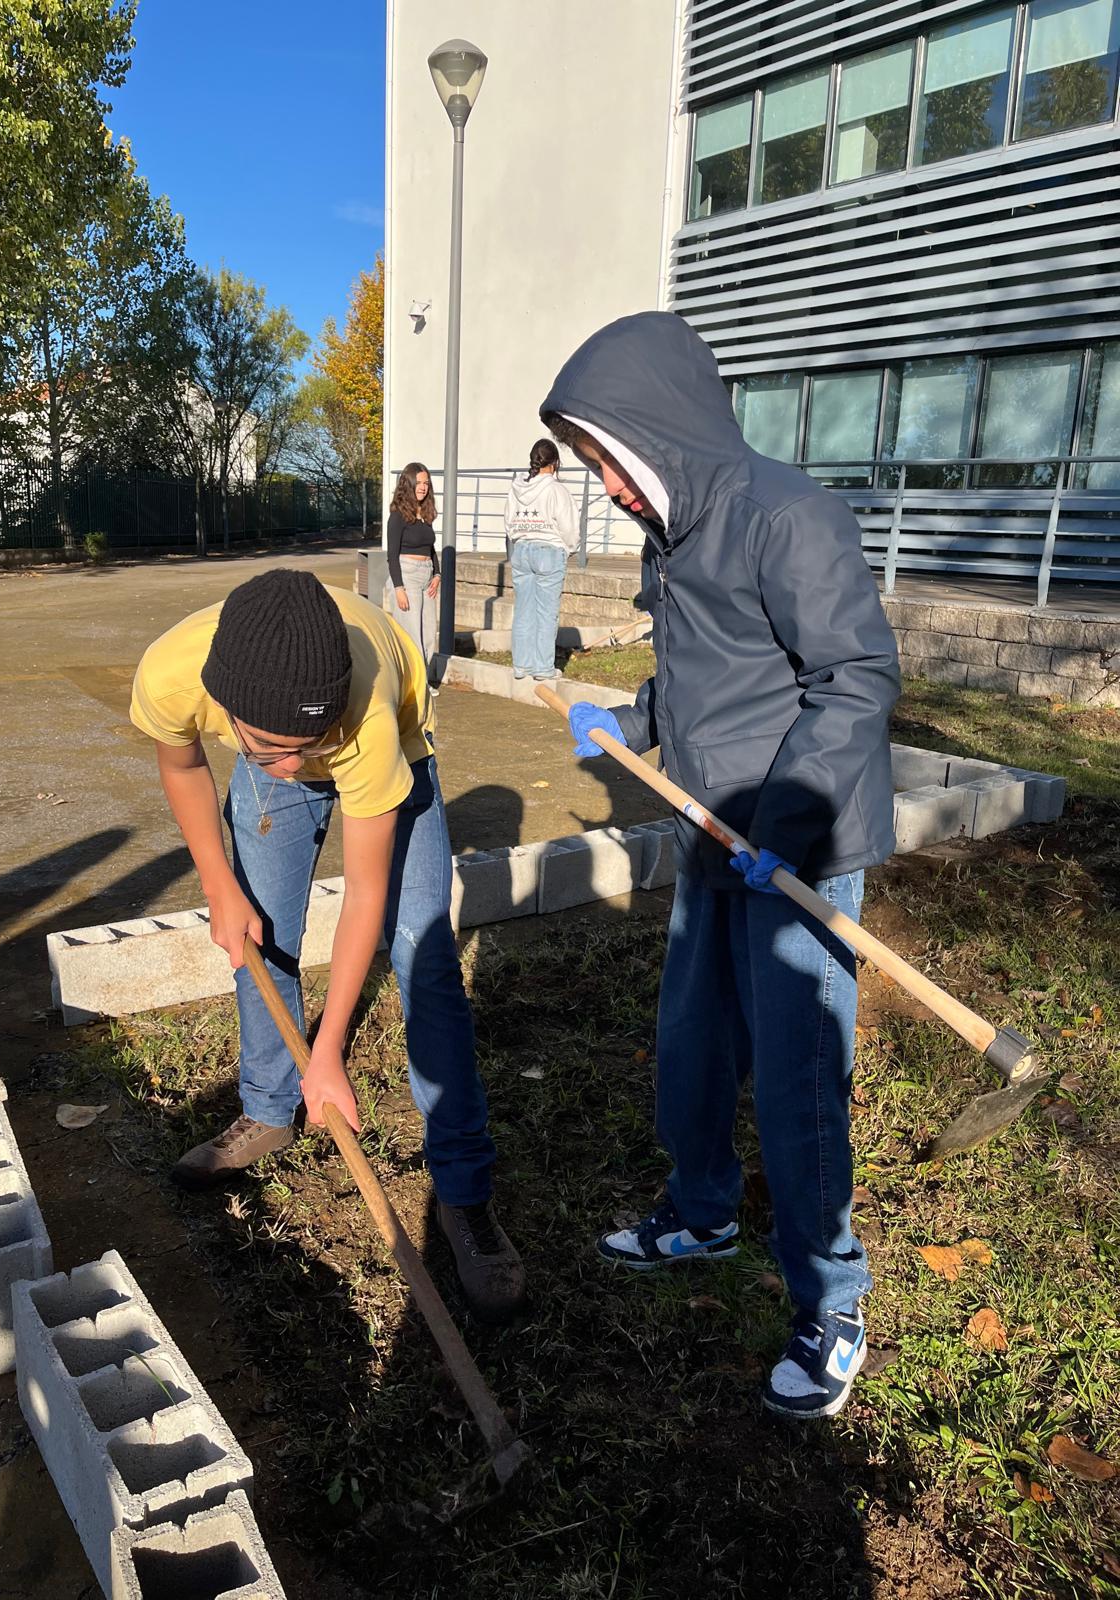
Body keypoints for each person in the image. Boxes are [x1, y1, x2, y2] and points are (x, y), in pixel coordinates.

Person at [540, 312, 900, 1418]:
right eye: (594, 463)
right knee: (691, 1045)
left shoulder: (789, 518)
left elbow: (855, 678)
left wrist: (782, 823)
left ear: (662, 431)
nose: (607, 486)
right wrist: (634, 721)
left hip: (798, 849)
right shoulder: (675, 532)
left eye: (610, 459)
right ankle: (701, 1210)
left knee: (797, 1079)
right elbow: (706, 679)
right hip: (711, 836)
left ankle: (833, 1299)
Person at [129, 568, 525, 1323]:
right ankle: (267, 1111)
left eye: (305, 746)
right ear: (225, 703)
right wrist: (217, 884)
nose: (293, 766)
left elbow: (365, 895)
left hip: (392, 749)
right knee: (262, 937)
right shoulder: (172, 674)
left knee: (423, 956)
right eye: (273, 747)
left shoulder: (365, 716)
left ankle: (465, 1194)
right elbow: (182, 764)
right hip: (278, 728)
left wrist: (330, 1051)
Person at [504, 438, 578, 681]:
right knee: (546, 613)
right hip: (549, 550)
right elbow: (568, 526)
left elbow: (508, 522)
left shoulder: (517, 488)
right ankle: (543, 668)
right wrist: (569, 548)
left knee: (523, 610)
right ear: (555, 463)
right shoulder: (556, 490)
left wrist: (520, 538)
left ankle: (521, 665)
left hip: (522, 549)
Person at [385, 462, 440, 686]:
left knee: (429, 634)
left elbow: (430, 548)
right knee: (412, 635)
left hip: (427, 576)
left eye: (426, 483)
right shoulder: (398, 516)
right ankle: (415, 686)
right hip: (407, 576)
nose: (423, 487)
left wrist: (437, 574)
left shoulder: (425, 514)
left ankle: (422, 681)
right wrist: (398, 588)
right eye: (418, 483)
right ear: (408, 484)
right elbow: (392, 555)